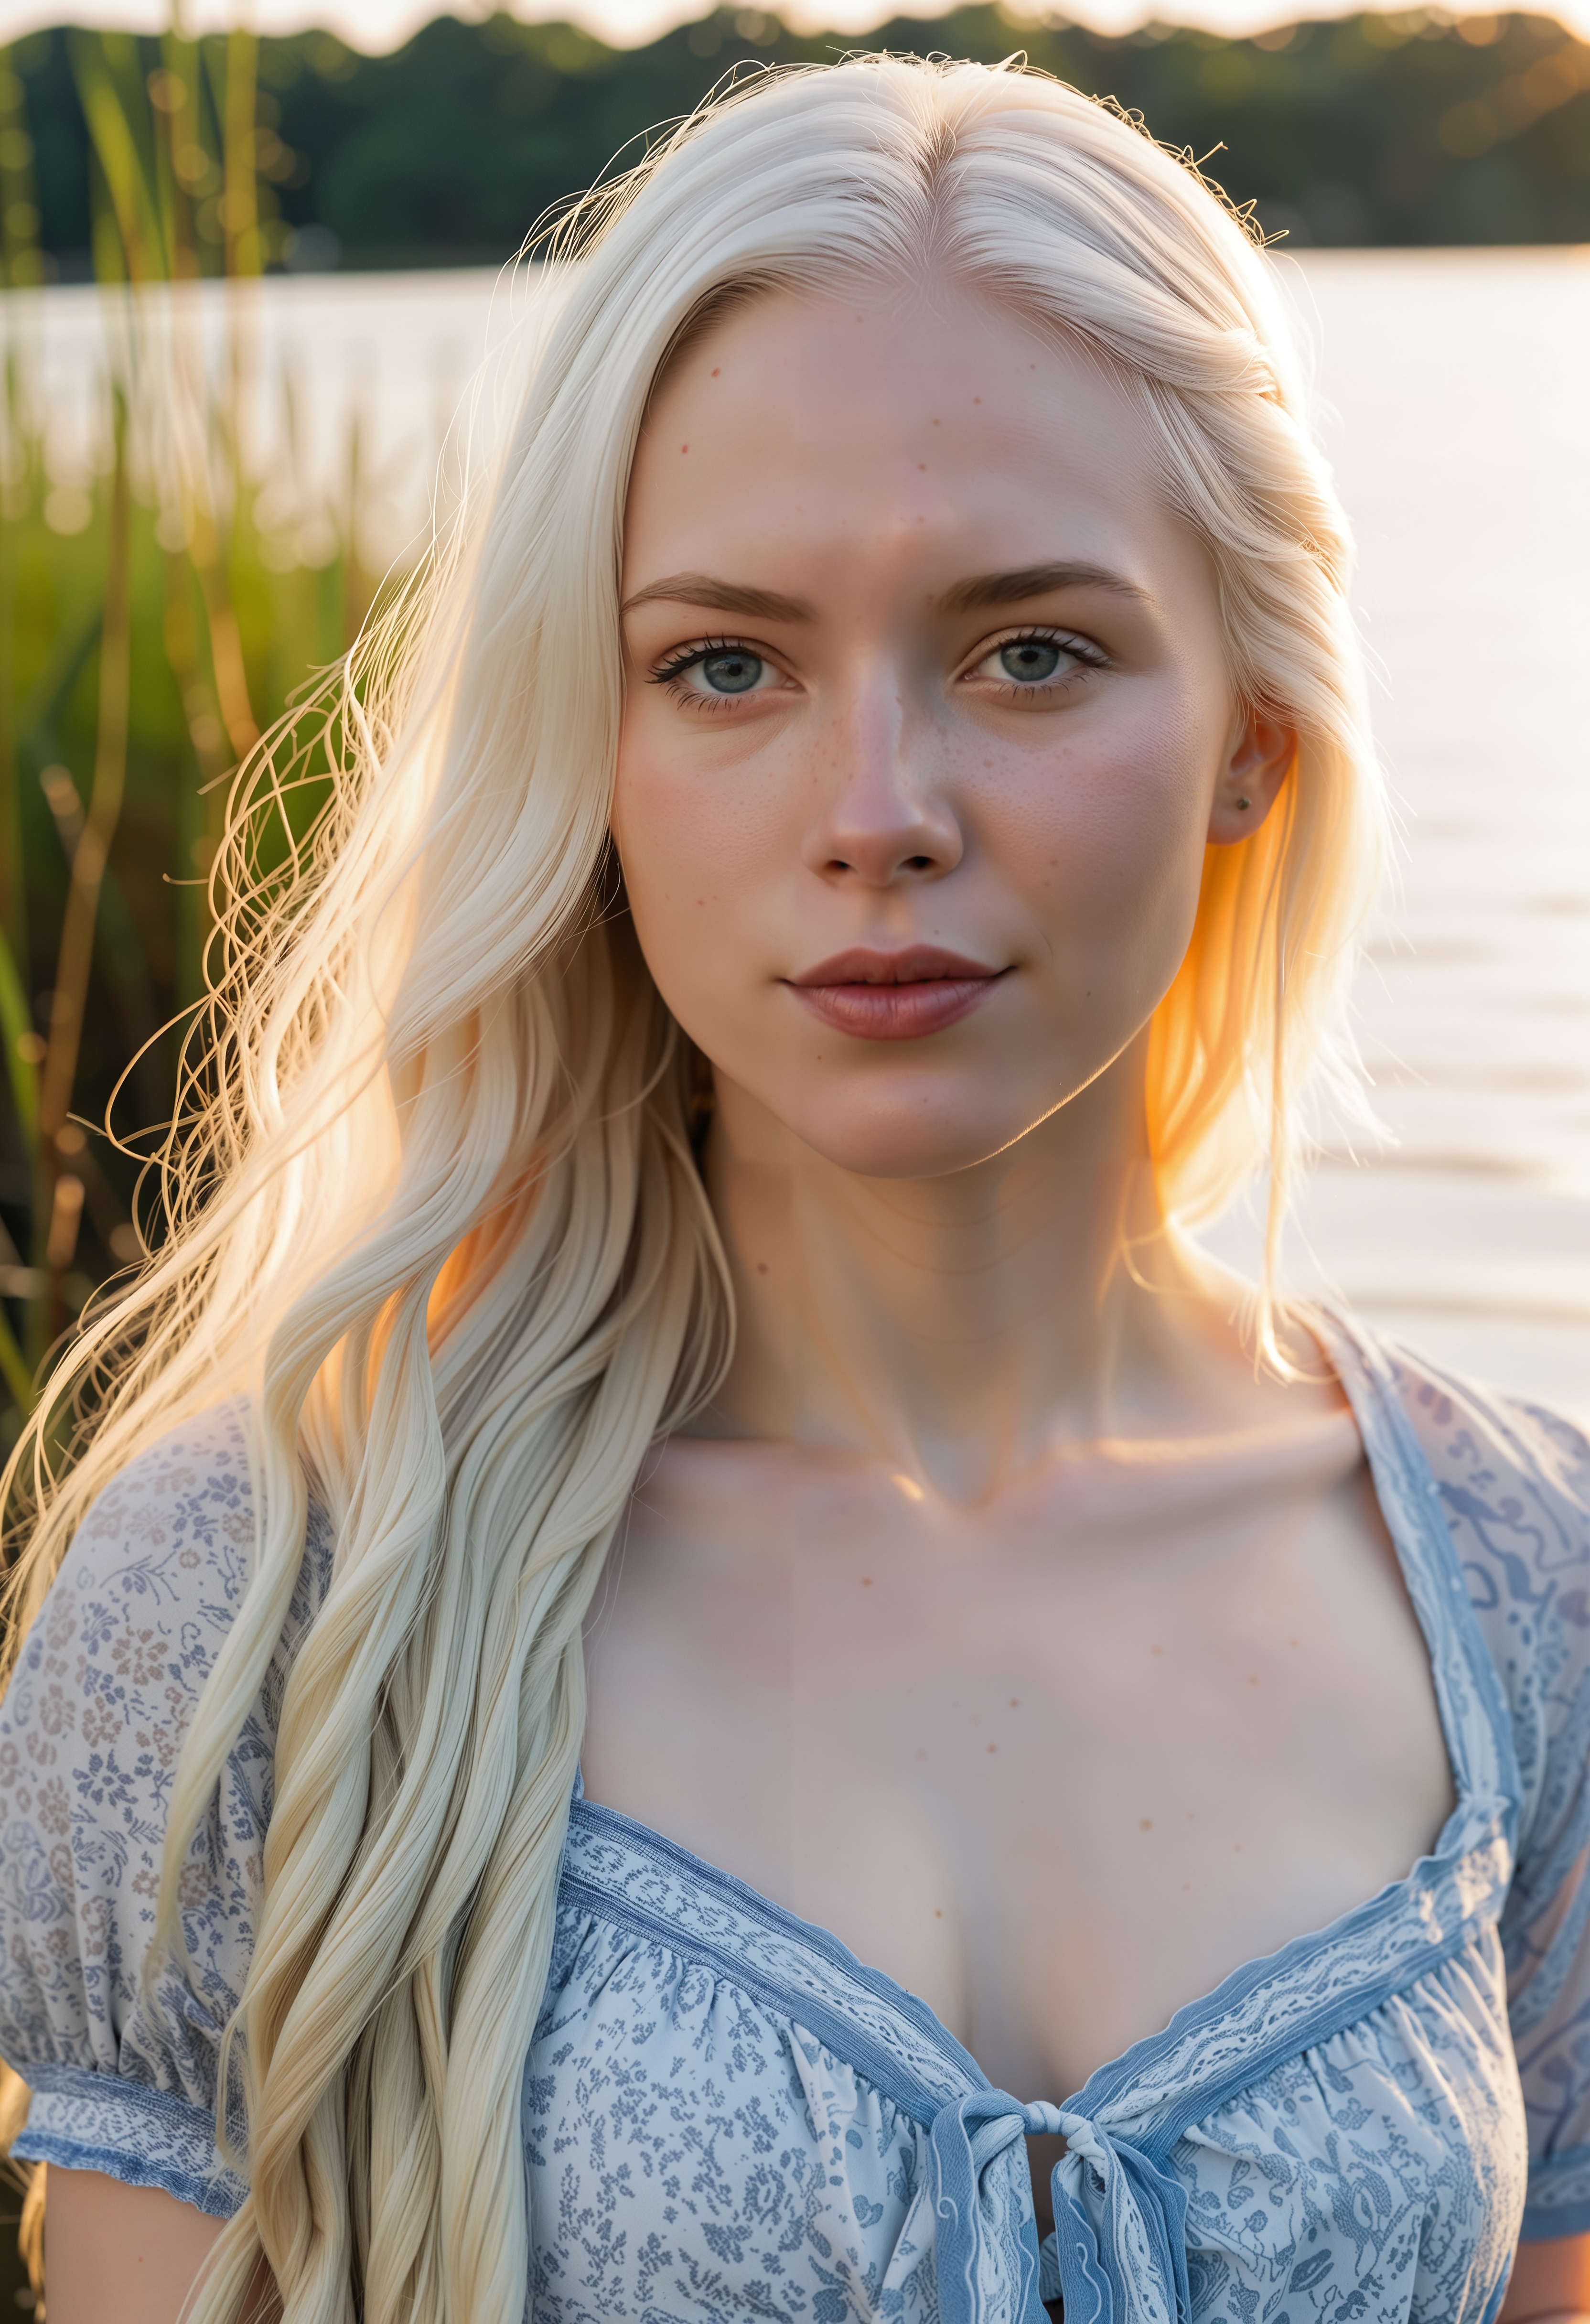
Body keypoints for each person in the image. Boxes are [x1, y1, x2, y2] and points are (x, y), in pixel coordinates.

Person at [2, 49, 1588, 2324]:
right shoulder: (266, 1604)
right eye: (725, 663)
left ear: (1252, 730)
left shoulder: (1517, 1587)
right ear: (597, 740)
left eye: (1030, 651)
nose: (880, 807)